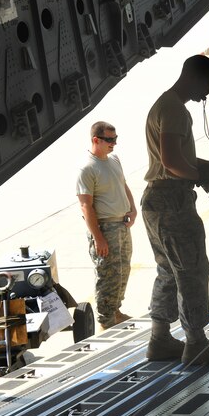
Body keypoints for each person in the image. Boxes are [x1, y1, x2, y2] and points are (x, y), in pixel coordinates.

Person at [141, 55, 209, 365]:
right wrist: (199, 176)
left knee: (168, 270)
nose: (208, 92)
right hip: (172, 202)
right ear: (195, 78)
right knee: (191, 270)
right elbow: (171, 162)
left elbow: (174, 159)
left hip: (158, 199)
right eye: (208, 84)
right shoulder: (175, 110)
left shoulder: (164, 104)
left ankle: (159, 340)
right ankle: (195, 342)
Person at [76, 121, 136, 330]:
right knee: (107, 275)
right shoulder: (87, 168)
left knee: (122, 271)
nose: (114, 143)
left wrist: (132, 208)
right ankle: (106, 320)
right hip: (105, 228)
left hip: (122, 225)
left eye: (115, 138)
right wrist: (98, 237)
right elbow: (86, 206)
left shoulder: (114, 160)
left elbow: (123, 184)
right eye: (110, 139)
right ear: (96, 140)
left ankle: (115, 311)